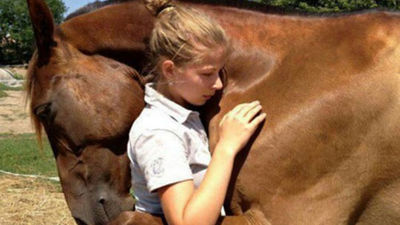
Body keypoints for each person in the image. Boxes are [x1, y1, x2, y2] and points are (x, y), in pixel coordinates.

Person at [127, 1, 266, 225]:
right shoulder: (157, 131)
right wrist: (227, 148)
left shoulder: (185, 114)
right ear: (170, 70)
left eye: (220, 72)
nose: (219, 84)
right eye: (207, 73)